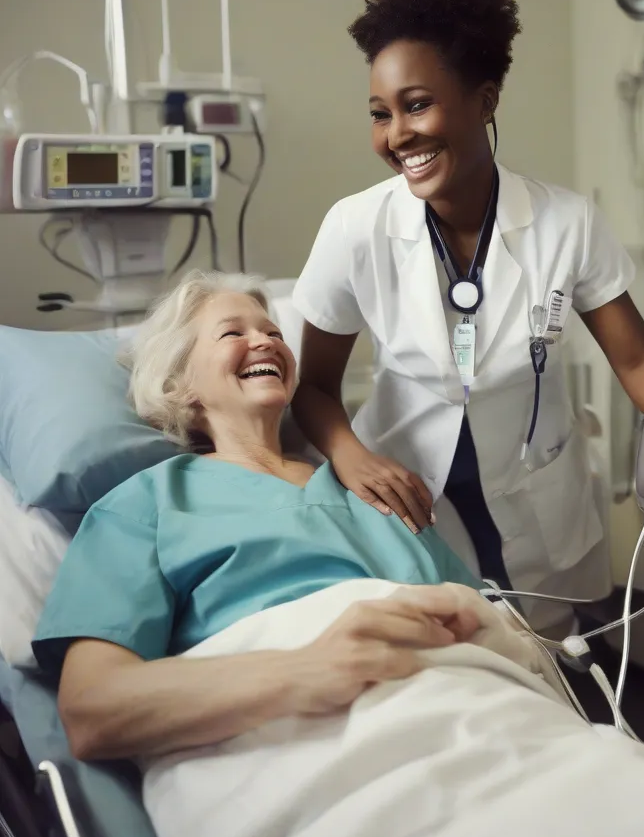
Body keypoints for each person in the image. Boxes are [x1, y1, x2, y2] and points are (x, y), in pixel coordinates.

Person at [290, 0, 644, 633]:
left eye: (417, 104)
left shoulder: (566, 223)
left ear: (486, 100)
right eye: (381, 114)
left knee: (550, 659)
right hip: (406, 496)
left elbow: (638, 363)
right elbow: (312, 387)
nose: (397, 134)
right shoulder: (355, 227)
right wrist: (352, 459)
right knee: (440, 668)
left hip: (534, 493)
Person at [32, 270, 487, 760]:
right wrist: (310, 668)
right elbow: (93, 709)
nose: (266, 343)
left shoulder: (372, 489)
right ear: (182, 384)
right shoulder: (145, 506)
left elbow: (486, 626)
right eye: (234, 333)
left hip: (469, 717)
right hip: (300, 745)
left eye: (274, 334)